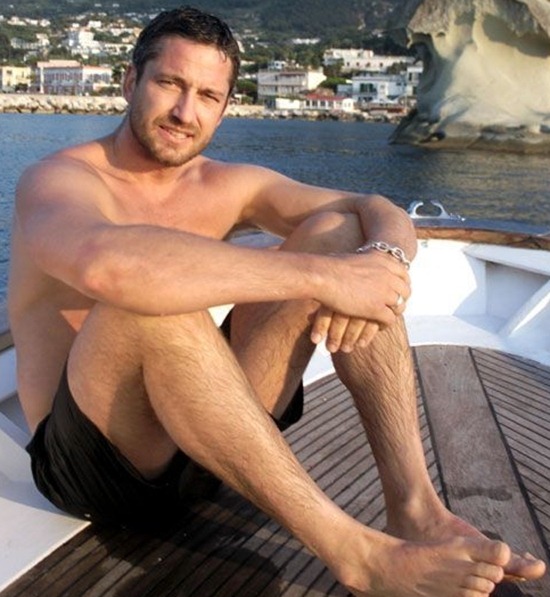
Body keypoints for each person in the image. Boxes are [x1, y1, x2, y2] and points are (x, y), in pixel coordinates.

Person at [8, 6, 545, 596]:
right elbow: (109, 266)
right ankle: (356, 555)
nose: (185, 112)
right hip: (95, 467)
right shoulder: (59, 180)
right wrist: (326, 279)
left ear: (224, 108)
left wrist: (379, 261)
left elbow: (375, 208)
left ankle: (415, 507)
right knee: (148, 301)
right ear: (131, 81)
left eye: (207, 95)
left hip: (212, 452)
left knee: (342, 234)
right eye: (169, 84)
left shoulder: (226, 185)